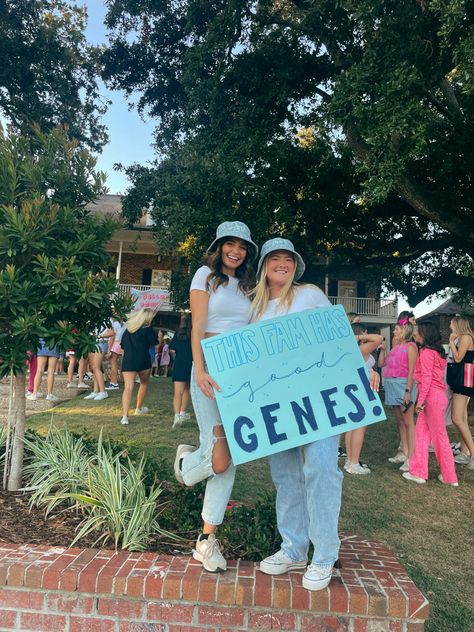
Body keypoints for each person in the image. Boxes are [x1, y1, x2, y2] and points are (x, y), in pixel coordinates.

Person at [251, 238, 343, 592]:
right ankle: (293, 548)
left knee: (321, 468)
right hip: (276, 402)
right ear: (264, 265)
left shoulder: (311, 295)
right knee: (286, 474)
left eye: (288, 258)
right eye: (275, 258)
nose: (282, 263)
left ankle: (324, 555)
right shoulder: (254, 308)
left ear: (295, 266)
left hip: (317, 397)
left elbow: (334, 339)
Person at [174, 221, 258, 573]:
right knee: (221, 454)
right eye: (230, 244)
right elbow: (197, 326)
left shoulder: (251, 286)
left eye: (242, 246)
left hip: (240, 373)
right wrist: (201, 368)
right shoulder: (204, 276)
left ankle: (206, 539)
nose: (235, 251)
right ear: (220, 245)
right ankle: (184, 467)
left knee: (230, 455)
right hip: (209, 369)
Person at [403, 322, 458, 486]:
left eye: (417, 332)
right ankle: (419, 471)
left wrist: (420, 401)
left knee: (439, 436)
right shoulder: (437, 352)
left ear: (425, 334)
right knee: (422, 434)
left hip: (430, 397)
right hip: (437, 396)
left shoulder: (427, 352)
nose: (415, 334)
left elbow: (426, 378)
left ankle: (449, 477)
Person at [343, 324, 384, 475]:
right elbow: (379, 338)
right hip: (362, 389)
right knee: (360, 426)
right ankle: (354, 462)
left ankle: (349, 460)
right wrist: (360, 337)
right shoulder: (360, 350)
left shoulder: (348, 350)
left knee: (351, 427)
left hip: (355, 388)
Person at [378, 321, 418, 469]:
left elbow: (412, 371)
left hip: (403, 387)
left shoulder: (411, 347)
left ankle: (412, 457)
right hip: (392, 386)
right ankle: (404, 452)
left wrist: (408, 391)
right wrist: (382, 350)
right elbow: (382, 364)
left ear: (405, 332)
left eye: (396, 330)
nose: (394, 332)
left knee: (408, 423)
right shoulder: (395, 348)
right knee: (400, 421)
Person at [120, 308, 158, 425]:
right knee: (144, 383)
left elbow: (122, 346)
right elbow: (154, 343)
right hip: (143, 359)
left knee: (128, 387)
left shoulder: (128, 331)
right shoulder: (148, 330)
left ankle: (125, 416)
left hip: (128, 360)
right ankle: (138, 408)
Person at [449, 316, 474, 469]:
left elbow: (458, 358)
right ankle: (465, 452)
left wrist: (451, 341)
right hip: (464, 379)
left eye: (451, 323)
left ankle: (472, 453)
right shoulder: (465, 337)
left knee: (456, 418)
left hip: (463, 380)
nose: (450, 325)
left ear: (458, 324)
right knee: (463, 418)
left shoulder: (465, 337)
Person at [170, 313, 193, 428]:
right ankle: (183, 412)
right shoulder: (194, 334)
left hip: (179, 363)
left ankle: (177, 415)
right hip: (191, 364)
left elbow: (172, 350)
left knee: (177, 392)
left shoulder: (177, 334)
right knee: (186, 389)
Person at [83, 326, 113, 402]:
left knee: (96, 367)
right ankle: (95, 391)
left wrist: (99, 336)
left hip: (101, 342)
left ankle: (103, 391)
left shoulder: (106, 319)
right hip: (91, 343)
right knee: (93, 367)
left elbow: (112, 332)